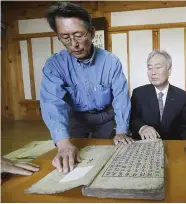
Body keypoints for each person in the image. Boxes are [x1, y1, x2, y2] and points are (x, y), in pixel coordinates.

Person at [40, 2, 134, 174]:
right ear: (58, 36)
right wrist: (62, 142)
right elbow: (52, 102)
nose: (74, 44)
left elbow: (121, 96)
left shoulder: (111, 62)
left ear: (91, 33)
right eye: (65, 37)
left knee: (109, 158)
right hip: (75, 118)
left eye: (78, 35)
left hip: (106, 117)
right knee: (71, 162)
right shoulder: (54, 65)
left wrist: (122, 130)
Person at [130, 50, 186, 140]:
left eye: (158, 67)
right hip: (145, 145)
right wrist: (142, 127)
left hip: (171, 147)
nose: (153, 72)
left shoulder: (182, 97)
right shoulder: (138, 93)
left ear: (169, 70)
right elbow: (132, 119)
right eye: (150, 68)